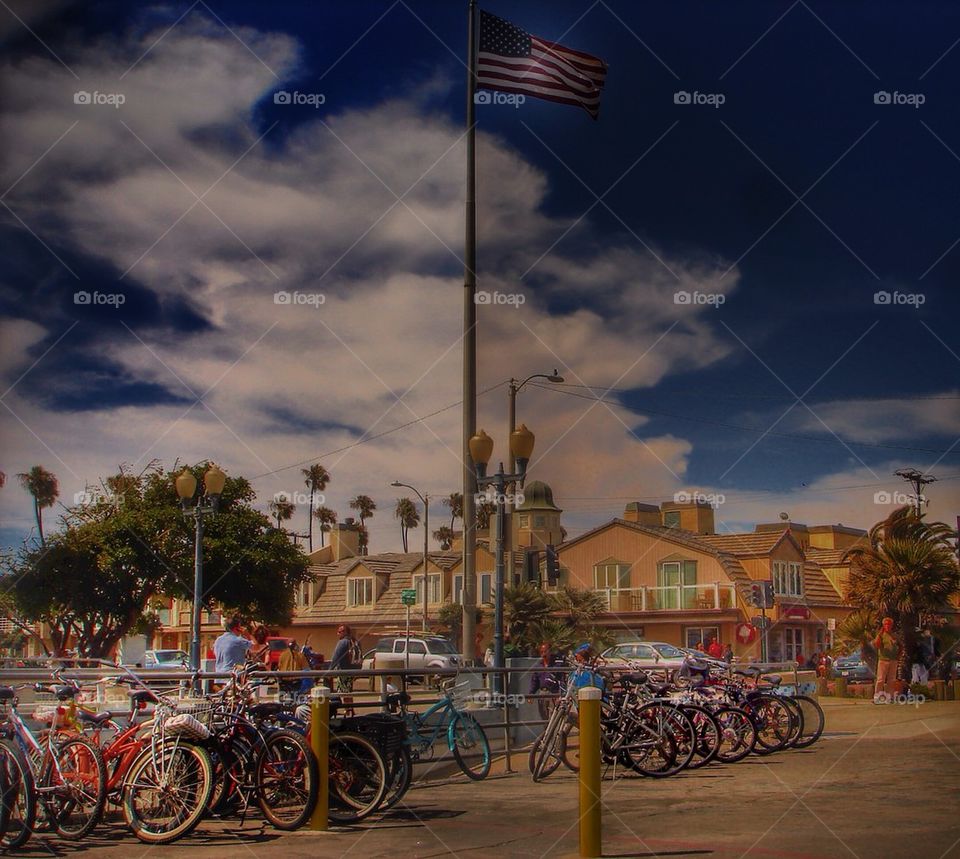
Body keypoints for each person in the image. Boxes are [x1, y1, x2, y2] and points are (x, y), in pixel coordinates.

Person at [873, 617, 901, 703]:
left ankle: (890, 697)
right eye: (886, 624)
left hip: (893, 660)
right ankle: (877, 697)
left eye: (889, 624)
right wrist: (879, 634)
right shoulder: (881, 635)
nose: (887, 626)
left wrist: (898, 656)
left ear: (892, 625)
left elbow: (900, 646)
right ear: (883, 625)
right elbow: (876, 645)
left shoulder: (895, 635)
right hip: (883, 660)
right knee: (880, 679)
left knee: (891, 680)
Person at [329, 624, 361, 692]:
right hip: (354, 670)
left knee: (343, 693)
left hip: (344, 671)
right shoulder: (355, 641)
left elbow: (336, 657)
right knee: (348, 692)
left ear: (345, 632)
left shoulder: (343, 642)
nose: (338, 634)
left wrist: (330, 671)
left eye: (339, 632)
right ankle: (348, 701)